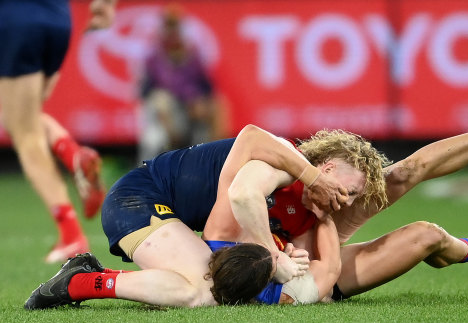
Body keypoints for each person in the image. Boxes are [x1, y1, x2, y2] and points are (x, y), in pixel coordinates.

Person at [203, 97, 468, 304]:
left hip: (309, 248)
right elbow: (321, 273)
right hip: (310, 267)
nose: (348, 202)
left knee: (404, 173)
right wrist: (286, 249)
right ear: (324, 167)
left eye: (354, 195)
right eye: (346, 191)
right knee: (429, 236)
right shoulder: (276, 174)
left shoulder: (332, 202)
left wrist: (321, 218)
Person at [24, 124, 349, 309]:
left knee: (205, 286)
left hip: (156, 204)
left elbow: (233, 239)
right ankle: (80, 282)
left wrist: (278, 252)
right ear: (327, 168)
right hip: (137, 199)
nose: (343, 199)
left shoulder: (294, 194)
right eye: (345, 188)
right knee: (203, 290)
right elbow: (250, 135)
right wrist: (275, 256)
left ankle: (88, 275)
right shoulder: (286, 160)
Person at [0, 0, 117, 263]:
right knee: (22, 115)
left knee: (24, 132)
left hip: (12, 13)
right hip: (55, 13)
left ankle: (71, 235)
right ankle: (71, 154)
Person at [138, 4, 226, 163]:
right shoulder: (153, 58)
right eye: (168, 26)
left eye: (175, 26)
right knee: (160, 100)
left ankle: (212, 161)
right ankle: (150, 169)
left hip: (189, 111)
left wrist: (198, 101)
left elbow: (208, 88)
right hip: (164, 116)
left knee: (218, 105)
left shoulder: (193, 55)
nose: (172, 31)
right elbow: (144, 93)